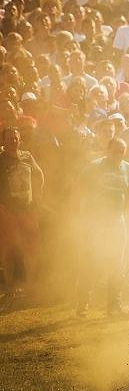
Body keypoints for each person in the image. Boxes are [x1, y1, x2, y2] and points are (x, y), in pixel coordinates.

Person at [75, 138, 129, 317]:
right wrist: (82, 217)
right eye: (115, 150)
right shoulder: (94, 167)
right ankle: (82, 305)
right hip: (96, 221)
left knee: (117, 263)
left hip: (118, 222)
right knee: (91, 262)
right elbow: (78, 191)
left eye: (122, 150)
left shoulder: (128, 169)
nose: (118, 154)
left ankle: (113, 306)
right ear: (107, 149)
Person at [0, 127, 44, 301]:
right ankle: (10, 286)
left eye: (16, 138)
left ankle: (31, 285)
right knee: (8, 248)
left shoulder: (27, 156)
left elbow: (39, 173)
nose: (13, 141)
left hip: (27, 210)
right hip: (8, 211)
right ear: (3, 141)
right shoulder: (1, 159)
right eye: (9, 139)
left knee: (31, 248)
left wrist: (38, 195)